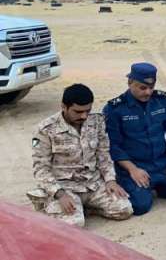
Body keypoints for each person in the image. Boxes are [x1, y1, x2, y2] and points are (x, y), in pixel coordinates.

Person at [28, 84, 133, 227]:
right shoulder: (46, 129)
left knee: (124, 209)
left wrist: (110, 180)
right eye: (77, 112)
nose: (83, 116)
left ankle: (85, 208)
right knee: (74, 225)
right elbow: (41, 168)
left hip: (93, 184)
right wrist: (59, 194)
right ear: (64, 106)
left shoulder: (96, 121)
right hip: (65, 187)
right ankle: (47, 203)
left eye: (87, 111)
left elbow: (103, 154)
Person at [104, 63, 166, 215]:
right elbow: (113, 146)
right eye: (142, 88)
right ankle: (142, 188)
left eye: (151, 87)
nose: (148, 92)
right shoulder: (115, 109)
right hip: (135, 165)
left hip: (162, 163)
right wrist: (132, 169)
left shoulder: (161, 100)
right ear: (130, 82)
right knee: (141, 206)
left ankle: (159, 186)